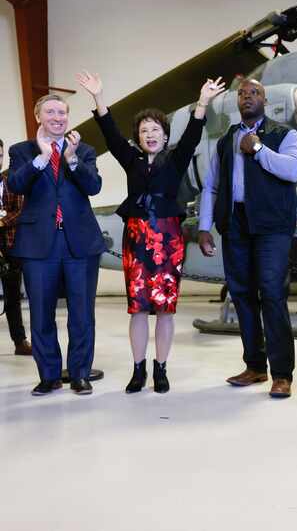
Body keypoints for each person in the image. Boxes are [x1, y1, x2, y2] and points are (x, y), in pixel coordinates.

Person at [77, 71, 226, 394]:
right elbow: (111, 135)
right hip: (137, 239)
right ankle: (138, 369)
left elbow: (192, 134)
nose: (150, 134)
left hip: (169, 240)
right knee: (139, 307)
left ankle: (161, 368)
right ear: (139, 137)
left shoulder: (175, 160)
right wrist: (99, 98)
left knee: (165, 308)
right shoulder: (130, 159)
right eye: (144, 131)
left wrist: (202, 102)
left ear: (164, 134)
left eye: (155, 129)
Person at [197, 78, 297, 398]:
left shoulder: (285, 134)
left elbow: (293, 170)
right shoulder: (226, 139)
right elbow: (212, 186)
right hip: (236, 224)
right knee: (242, 294)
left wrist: (258, 148)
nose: (247, 98)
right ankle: (255, 366)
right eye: (242, 94)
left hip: (272, 225)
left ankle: (282, 373)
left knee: (272, 293)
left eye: (254, 93)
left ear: (265, 100)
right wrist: (205, 226)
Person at [8, 94, 106, 396]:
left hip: (79, 243)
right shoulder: (22, 151)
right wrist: (41, 158)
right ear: (38, 116)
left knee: (82, 314)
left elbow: (94, 186)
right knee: (41, 314)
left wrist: (71, 159)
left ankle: (79, 374)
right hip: (39, 245)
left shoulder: (84, 149)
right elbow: (15, 184)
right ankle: (49, 375)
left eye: (62, 112)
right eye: (50, 112)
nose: (57, 117)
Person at [0, 138, 31, 356]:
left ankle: (19, 342)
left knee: (12, 297)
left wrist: (2, 222)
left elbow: (22, 210)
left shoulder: (12, 180)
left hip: (9, 245)